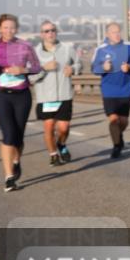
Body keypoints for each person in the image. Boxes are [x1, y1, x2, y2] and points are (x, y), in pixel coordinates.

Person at [0, 14, 42, 191]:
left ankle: (16, 160)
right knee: (8, 134)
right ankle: (8, 177)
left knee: (19, 136)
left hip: (22, 95)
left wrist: (23, 69)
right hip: (0, 95)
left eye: (12, 27)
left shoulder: (25, 46)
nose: (8, 30)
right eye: (5, 27)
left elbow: (37, 67)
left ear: (16, 29)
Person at [30, 20, 80, 166]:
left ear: (56, 32)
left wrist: (73, 69)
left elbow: (79, 63)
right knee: (49, 127)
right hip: (46, 98)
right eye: (46, 31)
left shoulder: (66, 48)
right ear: (41, 34)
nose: (50, 33)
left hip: (65, 95)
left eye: (52, 30)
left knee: (64, 128)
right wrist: (44, 68)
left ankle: (61, 144)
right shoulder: (35, 53)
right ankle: (53, 155)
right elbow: (31, 77)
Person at [91, 22, 130, 159]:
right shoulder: (101, 49)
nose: (117, 35)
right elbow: (94, 68)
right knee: (113, 120)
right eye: (113, 32)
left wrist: (129, 66)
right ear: (107, 34)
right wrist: (103, 67)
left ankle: (118, 135)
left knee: (123, 121)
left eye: (118, 32)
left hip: (125, 88)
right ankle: (117, 146)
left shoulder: (129, 47)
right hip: (109, 90)